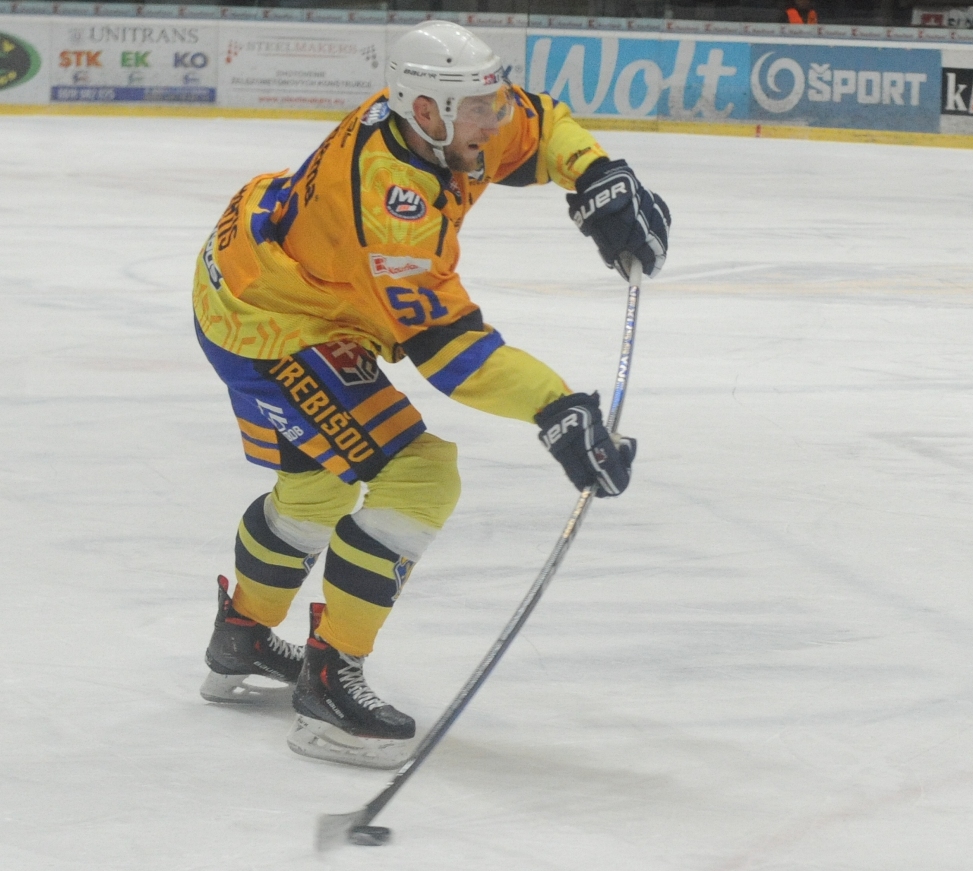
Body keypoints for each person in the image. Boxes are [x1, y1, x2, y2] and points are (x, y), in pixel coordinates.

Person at [192, 20, 670, 768]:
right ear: (426, 111)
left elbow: (540, 123)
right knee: (419, 475)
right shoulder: (391, 204)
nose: (498, 117)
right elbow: (449, 351)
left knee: (316, 487)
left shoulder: (441, 126)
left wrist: (597, 172)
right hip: (270, 321)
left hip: (261, 273)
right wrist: (555, 408)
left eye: (492, 99)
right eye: (482, 107)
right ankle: (328, 681)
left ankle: (242, 636)